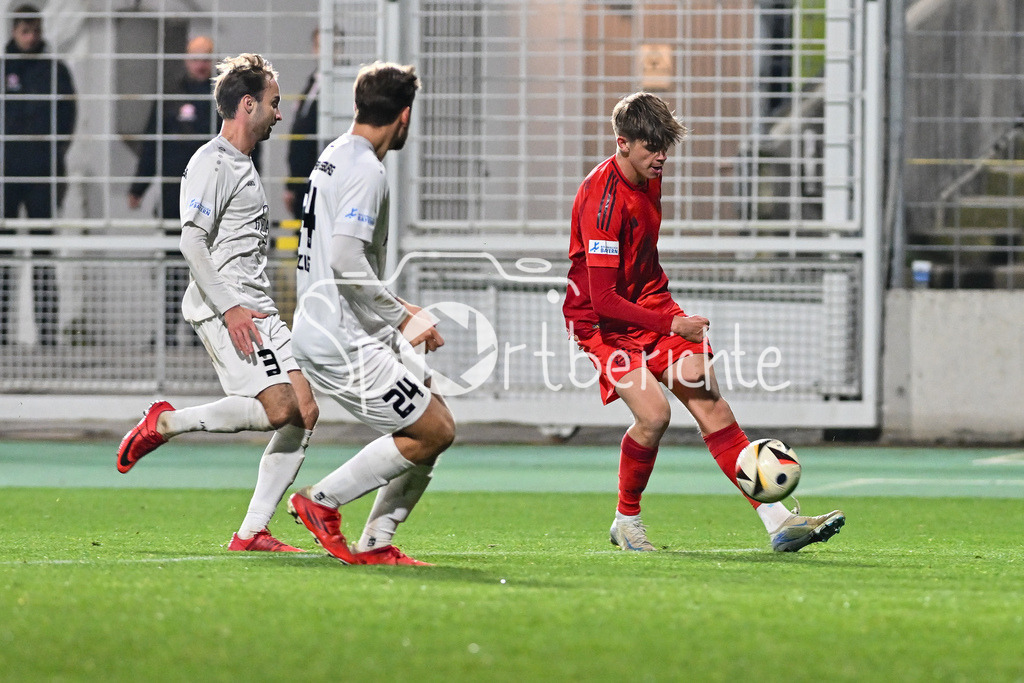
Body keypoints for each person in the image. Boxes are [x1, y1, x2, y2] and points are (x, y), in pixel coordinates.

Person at [562, 92, 845, 553]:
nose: (661, 156)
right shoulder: (604, 203)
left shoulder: (648, 175)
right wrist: (674, 328)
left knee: (709, 399)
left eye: (665, 146)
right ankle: (626, 521)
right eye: (651, 147)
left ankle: (778, 521)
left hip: (649, 302)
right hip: (599, 321)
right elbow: (604, 299)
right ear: (622, 143)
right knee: (654, 416)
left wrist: (666, 319)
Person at [116, 53, 319, 553]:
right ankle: (166, 424)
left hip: (260, 309)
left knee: (306, 411)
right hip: (222, 309)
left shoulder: (245, 165)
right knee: (278, 410)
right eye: (272, 104)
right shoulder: (211, 161)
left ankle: (252, 531)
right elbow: (192, 243)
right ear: (247, 105)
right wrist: (230, 308)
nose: (278, 113)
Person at [286, 62, 455, 566]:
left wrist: (399, 312)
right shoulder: (365, 169)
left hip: (336, 326)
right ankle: (322, 501)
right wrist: (401, 318)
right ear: (404, 117)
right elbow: (343, 259)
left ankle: (377, 542)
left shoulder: (335, 155)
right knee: (434, 431)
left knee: (435, 417)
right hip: (338, 337)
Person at [128, 35, 217, 347]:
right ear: (186, 60)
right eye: (196, 57)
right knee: (170, 265)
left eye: (207, 57)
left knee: (204, 266)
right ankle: (167, 333)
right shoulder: (169, 96)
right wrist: (138, 188)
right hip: (173, 194)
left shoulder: (223, 98)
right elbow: (151, 144)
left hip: (209, 197)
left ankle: (199, 336)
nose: (201, 63)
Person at [1, 4, 76, 346]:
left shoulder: (55, 70)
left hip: (43, 173)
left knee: (43, 253)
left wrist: (53, 153)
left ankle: (47, 335)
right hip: (5, 174)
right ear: (14, 31)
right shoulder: (2, 69)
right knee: (3, 255)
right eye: (24, 31)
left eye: (34, 30)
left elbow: (68, 116)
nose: (30, 37)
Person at [283, 28, 319, 220]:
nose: (324, 51)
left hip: (320, 178)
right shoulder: (313, 81)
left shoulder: (340, 86)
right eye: (318, 45)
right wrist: (292, 184)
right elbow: (300, 136)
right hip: (303, 178)